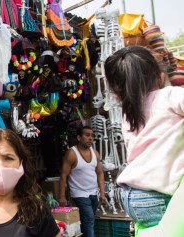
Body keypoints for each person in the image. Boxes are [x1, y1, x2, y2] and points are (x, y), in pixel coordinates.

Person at [104, 46, 184, 236]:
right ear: (160, 76)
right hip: (159, 195)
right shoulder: (170, 95)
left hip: (133, 196)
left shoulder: (129, 112)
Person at [59, 126, 105, 237]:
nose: (90, 138)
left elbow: (100, 173)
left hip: (94, 193)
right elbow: (63, 175)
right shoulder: (72, 153)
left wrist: (102, 193)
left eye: (92, 136)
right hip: (79, 194)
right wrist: (62, 196)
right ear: (79, 137)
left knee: (89, 220)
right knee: (89, 220)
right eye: (87, 135)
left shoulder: (95, 153)